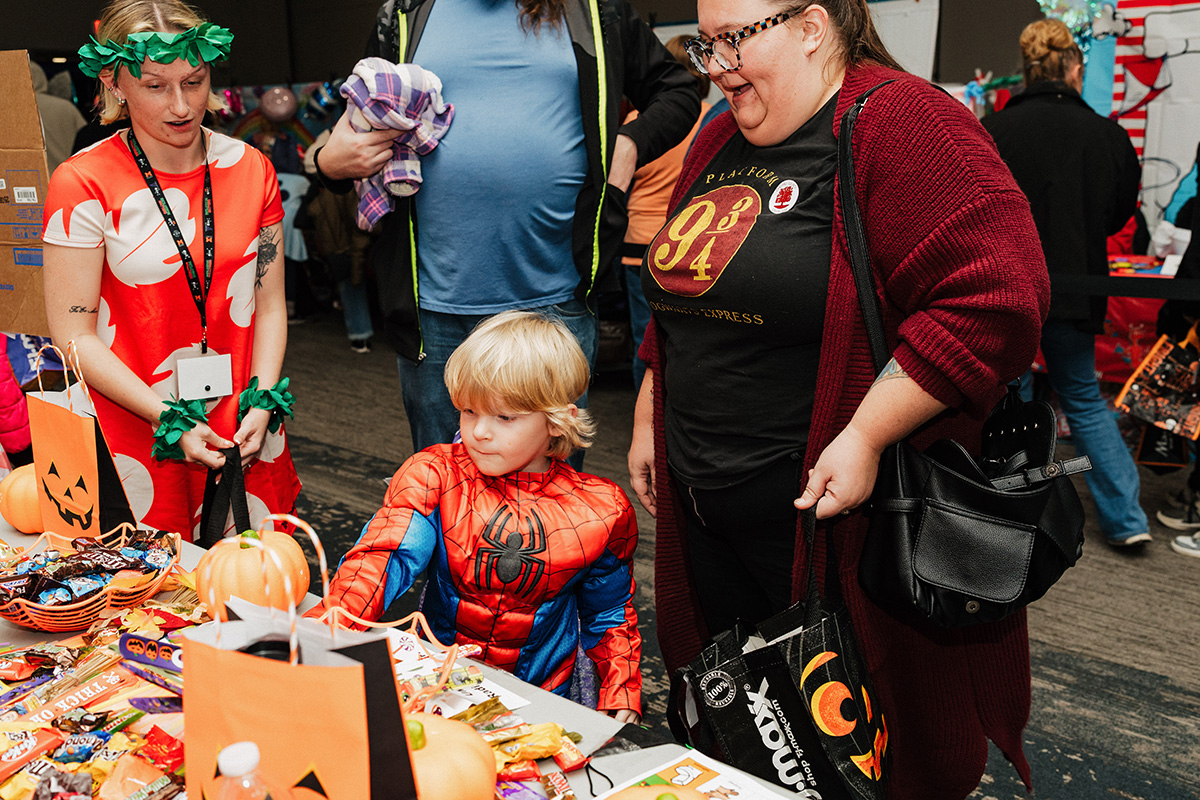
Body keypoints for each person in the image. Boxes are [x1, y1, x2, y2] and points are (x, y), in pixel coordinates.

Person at [627, 0, 1049, 797]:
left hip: (832, 535)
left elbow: (998, 299)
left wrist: (863, 433)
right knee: (749, 740)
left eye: (732, 42)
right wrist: (652, 401)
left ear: (812, 25)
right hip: (710, 510)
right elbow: (682, 289)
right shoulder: (720, 135)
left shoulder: (903, 123)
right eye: (702, 44)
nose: (712, 67)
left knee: (860, 760)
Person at [311, 0, 700, 457]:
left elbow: (677, 90)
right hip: (435, 309)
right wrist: (327, 164)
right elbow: (358, 118)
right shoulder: (406, 13)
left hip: (555, 300)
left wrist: (631, 144)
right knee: (443, 490)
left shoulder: (592, 8)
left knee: (552, 502)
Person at [41, 0, 300, 540]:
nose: (182, 106)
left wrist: (264, 397)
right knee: (149, 605)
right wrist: (169, 418)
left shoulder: (251, 169)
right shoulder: (83, 182)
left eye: (194, 81)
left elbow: (270, 304)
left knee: (247, 592)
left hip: (241, 421)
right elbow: (72, 337)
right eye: (155, 86)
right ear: (115, 83)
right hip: (136, 427)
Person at [314, 311, 641, 721]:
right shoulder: (435, 474)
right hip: (436, 689)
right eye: (469, 411)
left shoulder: (601, 510)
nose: (479, 432)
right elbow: (382, 558)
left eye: (504, 417)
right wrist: (325, 628)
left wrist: (621, 689)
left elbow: (609, 615)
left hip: (541, 701)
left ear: (560, 422)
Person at [984, 18, 1147, 547]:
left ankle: (1010, 518)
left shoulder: (992, 130)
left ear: (1027, 69)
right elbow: (1121, 214)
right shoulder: (1108, 134)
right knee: (1082, 396)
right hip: (1074, 290)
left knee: (1010, 400)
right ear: (1076, 68)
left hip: (1009, 288)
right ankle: (1127, 522)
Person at [621, 35, 711, 391]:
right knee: (685, 345)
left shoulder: (633, 122)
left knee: (645, 346)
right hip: (688, 247)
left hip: (637, 247)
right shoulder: (711, 122)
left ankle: (646, 418)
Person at [28, 61, 86, 175]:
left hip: (28, 182)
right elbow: (89, 141)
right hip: (67, 179)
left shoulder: (10, 112)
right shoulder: (66, 107)